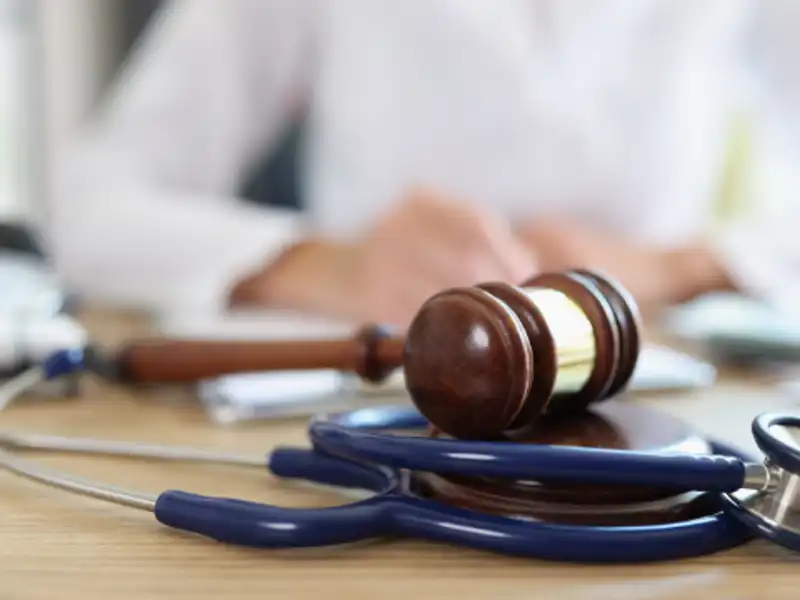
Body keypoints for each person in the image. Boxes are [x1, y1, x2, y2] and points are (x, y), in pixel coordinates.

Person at [49, 0, 800, 328]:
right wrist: (324, 264)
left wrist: (684, 264)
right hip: (379, 394)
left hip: (663, 407)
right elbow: (92, 202)